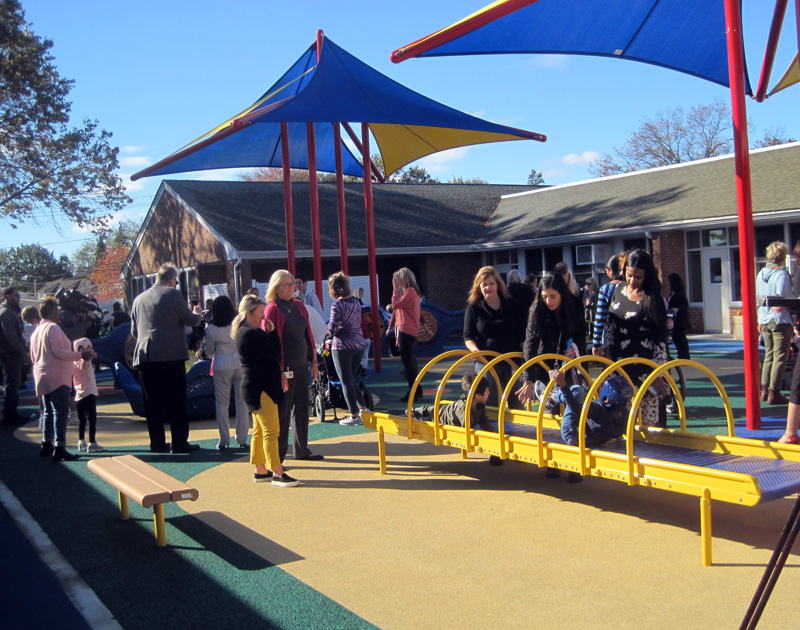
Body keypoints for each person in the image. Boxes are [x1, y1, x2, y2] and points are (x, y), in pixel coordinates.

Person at [130, 263, 202, 453]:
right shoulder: (172, 294)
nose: (176, 285)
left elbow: (134, 331)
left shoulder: (138, 299)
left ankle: (157, 443)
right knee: (176, 401)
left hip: (145, 356)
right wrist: (198, 314)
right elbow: (191, 321)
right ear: (171, 280)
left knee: (152, 402)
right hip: (170, 356)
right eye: (176, 281)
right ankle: (179, 442)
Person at [233, 294, 298, 487]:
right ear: (249, 312)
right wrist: (272, 333)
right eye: (260, 312)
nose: (263, 316)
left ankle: (260, 469)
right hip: (261, 387)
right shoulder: (252, 334)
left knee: (260, 430)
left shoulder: (245, 332)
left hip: (255, 385)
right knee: (271, 430)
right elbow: (276, 355)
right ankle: (277, 472)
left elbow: (271, 357)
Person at [602, 250, 669, 427]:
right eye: (629, 275)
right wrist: (606, 352)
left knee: (647, 424)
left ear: (647, 276)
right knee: (620, 421)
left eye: (638, 277)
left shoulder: (652, 298)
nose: (632, 281)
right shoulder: (618, 289)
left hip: (645, 369)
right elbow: (609, 324)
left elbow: (660, 339)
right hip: (619, 366)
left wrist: (659, 373)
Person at [264, 269, 322, 462]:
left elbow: (309, 335)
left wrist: (314, 361)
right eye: (287, 285)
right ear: (276, 287)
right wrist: (279, 370)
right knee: (283, 412)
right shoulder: (272, 309)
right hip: (284, 368)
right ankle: (279, 457)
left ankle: (301, 449)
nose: (292, 288)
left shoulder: (299, 306)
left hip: (301, 365)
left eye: (293, 284)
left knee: (302, 408)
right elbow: (272, 341)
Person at [30, 297, 94, 462]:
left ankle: (46, 443)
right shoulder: (53, 328)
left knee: (47, 411)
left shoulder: (36, 331)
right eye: (57, 310)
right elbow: (58, 352)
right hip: (56, 376)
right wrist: (80, 355)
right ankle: (59, 446)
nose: (60, 313)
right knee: (60, 411)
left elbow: (33, 355)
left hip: (41, 374)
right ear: (51, 311)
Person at [547, 369, 634, 482]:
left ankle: (553, 397)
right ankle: (556, 396)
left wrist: (563, 385)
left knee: (577, 390)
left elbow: (576, 409)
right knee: (579, 396)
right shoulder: (625, 416)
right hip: (591, 437)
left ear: (606, 399)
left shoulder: (599, 411)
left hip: (573, 432)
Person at [516, 273, 584, 407]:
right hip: (546, 362)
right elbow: (530, 343)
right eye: (544, 297)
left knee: (573, 402)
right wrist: (528, 379)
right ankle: (550, 404)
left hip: (568, 364)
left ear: (562, 294)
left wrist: (576, 347)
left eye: (553, 297)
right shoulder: (537, 310)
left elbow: (581, 333)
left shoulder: (574, 305)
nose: (548, 301)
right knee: (549, 406)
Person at [463, 266, 527, 410]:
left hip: (512, 361)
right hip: (487, 362)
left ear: (498, 284)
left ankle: (519, 432)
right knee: (489, 404)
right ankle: (491, 430)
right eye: (484, 284)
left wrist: (526, 357)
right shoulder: (474, 308)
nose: (488, 287)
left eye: (491, 283)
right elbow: (468, 336)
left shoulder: (512, 305)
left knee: (517, 402)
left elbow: (522, 334)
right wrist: (475, 351)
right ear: (479, 286)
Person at [204, 295, 249, 450]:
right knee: (242, 402)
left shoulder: (212, 328)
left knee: (222, 403)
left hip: (222, 366)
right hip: (239, 363)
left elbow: (209, 352)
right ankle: (242, 438)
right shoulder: (238, 323)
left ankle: (224, 439)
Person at [327, 272, 367, 426]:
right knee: (352, 379)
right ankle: (363, 408)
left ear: (333, 288)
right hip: (358, 343)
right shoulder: (356, 302)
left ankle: (354, 415)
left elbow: (333, 328)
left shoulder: (337, 304)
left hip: (342, 345)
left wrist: (330, 329)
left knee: (345, 381)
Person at [757, 241, 793, 405]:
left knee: (769, 355)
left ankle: (764, 389)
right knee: (780, 356)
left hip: (764, 317)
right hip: (779, 319)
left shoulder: (761, 273)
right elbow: (782, 297)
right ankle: (774, 391)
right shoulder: (782, 274)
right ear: (782, 256)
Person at [412, 372, 494, 432]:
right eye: (487, 391)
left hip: (450, 410)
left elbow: (483, 420)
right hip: (442, 417)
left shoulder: (479, 405)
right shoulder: (464, 410)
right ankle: (416, 412)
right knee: (431, 412)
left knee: (439, 409)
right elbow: (466, 430)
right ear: (478, 396)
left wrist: (493, 433)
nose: (489, 393)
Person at [388, 267, 422, 403]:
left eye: (398, 279)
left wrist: (395, 290)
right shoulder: (411, 292)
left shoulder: (410, 292)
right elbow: (397, 311)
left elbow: (395, 305)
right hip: (407, 329)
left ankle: (414, 390)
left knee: (408, 362)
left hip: (406, 330)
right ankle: (416, 389)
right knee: (408, 360)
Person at [1, 286, 31, 426]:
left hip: (14, 353)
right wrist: (22, 352)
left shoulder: (13, 312)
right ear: (7, 296)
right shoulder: (6, 313)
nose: (18, 298)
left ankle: (12, 413)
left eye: (18, 295)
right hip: (10, 354)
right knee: (12, 385)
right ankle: (10, 415)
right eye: (15, 295)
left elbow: (19, 335)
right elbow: (11, 337)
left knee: (14, 384)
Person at [72, 337, 104, 453]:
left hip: (79, 395)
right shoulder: (86, 362)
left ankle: (81, 441)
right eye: (88, 348)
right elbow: (85, 365)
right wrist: (87, 357)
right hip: (89, 393)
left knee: (82, 420)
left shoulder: (73, 363)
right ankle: (92, 442)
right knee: (92, 419)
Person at [592, 253, 627, 356]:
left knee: (610, 367)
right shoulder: (629, 287)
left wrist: (596, 342)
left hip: (611, 334)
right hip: (628, 331)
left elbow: (600, 318)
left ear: (610, 270)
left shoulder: (605, 289)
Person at [667, 273, 691, 360]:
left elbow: (685, 305)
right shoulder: (672, 293)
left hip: (680, 319)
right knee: (676, 337)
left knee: (680, 337)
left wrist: (677, 309)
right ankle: (681, 354)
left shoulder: (680, 293)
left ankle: (684, 356)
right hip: (674, 319)